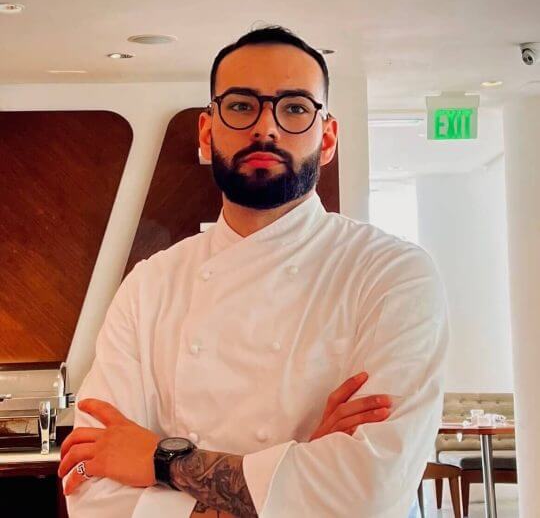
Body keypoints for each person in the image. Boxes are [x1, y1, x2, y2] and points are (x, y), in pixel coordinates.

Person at [58, 26, 448, 517]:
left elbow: (368, 491)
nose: (266, 128)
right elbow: (92, 490)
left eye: (295, 108)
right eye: (241, 105)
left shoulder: (391, 274)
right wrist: (293, 479)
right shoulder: (148, 286)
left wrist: (162, 462)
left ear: (327, 137)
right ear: (207, 133)